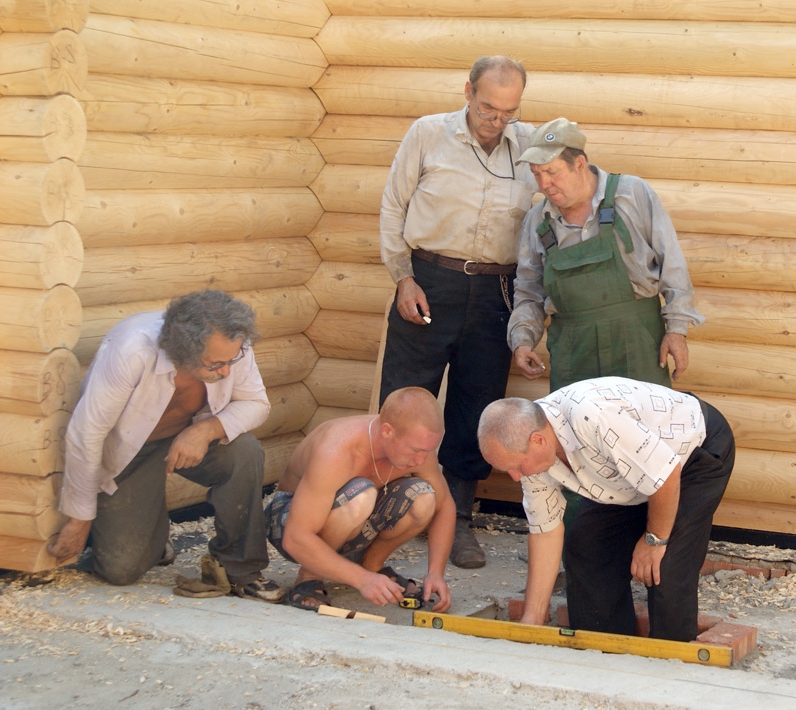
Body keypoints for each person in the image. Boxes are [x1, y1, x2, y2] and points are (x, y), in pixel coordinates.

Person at [378, 55, 538, 569]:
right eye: (489, 108)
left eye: (508, 112)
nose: (497, 120)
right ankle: (392, 509)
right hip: (429, 279)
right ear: (468, 91)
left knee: (478, 402)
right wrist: (402, 277)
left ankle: (458, 517)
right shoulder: (427, 133)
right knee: (407, 396)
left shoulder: (530, 146)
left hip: (497, 289)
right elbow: (393, 206)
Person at [48, 290, 283, 602]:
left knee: (245, 452)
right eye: (215, 364)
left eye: (231, 361)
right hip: (130, 452)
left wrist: (206, 430)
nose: (226, 371)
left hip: (189, 435)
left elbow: (257, 403)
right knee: (119, 570)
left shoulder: (232, 345)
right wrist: (79, 520)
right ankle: (154, 538)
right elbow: (86, 432)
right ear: (183, 351)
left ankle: (241, 570)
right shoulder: (131, 350)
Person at [477, 376, 735, 642]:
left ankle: (671, 658)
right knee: (586, 548)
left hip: (690, 454)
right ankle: (603, 650)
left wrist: (653, 541)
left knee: (665, 566)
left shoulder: (594, 417)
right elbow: (545, 532)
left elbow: (665, 476)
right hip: (628, 474)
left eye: (516, 466)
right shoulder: (530, 448)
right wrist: (531, 620)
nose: (515, 477)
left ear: (538, 440)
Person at [508, 117, 704, 393]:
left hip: (638, 342)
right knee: (575, 421)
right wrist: (522, 340)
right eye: (536, 174)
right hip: (572, 350)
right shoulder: (537, 221)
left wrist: (676, 330)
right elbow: (529, 292)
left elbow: (672, 265)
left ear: (579, 163)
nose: (544, 183)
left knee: (642, 419)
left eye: (552, 172)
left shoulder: (632, 194)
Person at [265, 387, 454, 612]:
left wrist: (435, 573)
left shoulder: (416, 445)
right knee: (360, 495)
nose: (421, 460)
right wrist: (361, 580)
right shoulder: (337, 450)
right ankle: (310, 576)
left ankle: (372, 565)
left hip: (352, 524)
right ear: (387, 431)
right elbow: (295, 537)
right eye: (415, 450)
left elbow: (445, 506)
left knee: (425, 497)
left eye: (428, 450)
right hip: (288, 524)